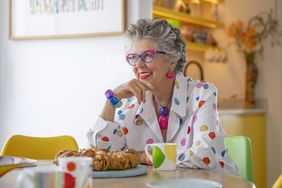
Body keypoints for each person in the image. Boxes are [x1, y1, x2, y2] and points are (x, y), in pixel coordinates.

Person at [87, 18, 239, 175]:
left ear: (172, 60)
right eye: (133, 57)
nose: (138, 65)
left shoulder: (202, 95)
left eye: (147, 56)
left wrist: (142, 156)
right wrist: (112, 100)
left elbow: (204, 155)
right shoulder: (130, 103)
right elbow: (102, 157)